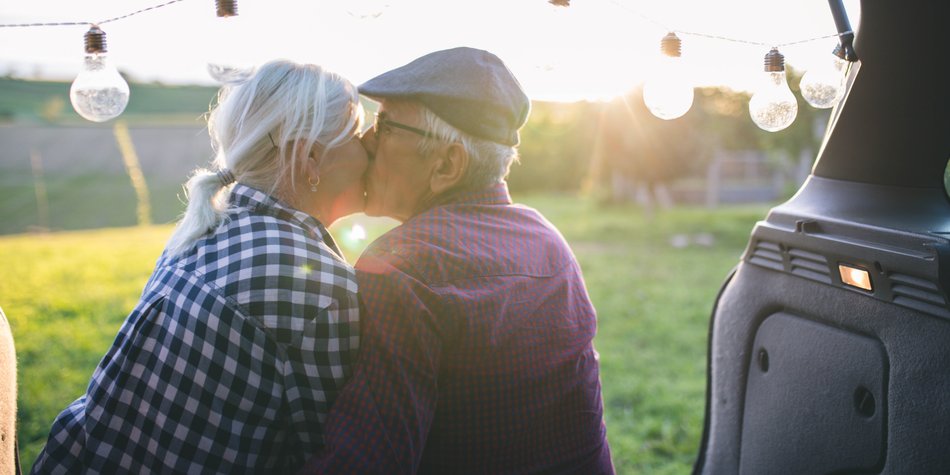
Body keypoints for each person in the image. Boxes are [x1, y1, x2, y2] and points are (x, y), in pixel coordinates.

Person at [32, 59, 367, 474]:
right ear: (310, 156)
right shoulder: (318, 284)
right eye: (356, 136)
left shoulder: (207, 229)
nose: (369, 148)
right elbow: (336, 456)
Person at [301, 47, 614, 474]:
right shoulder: (547, 240)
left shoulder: (404, 266)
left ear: (447, 164)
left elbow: (363, 462)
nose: (366, 140)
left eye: (386, 126)